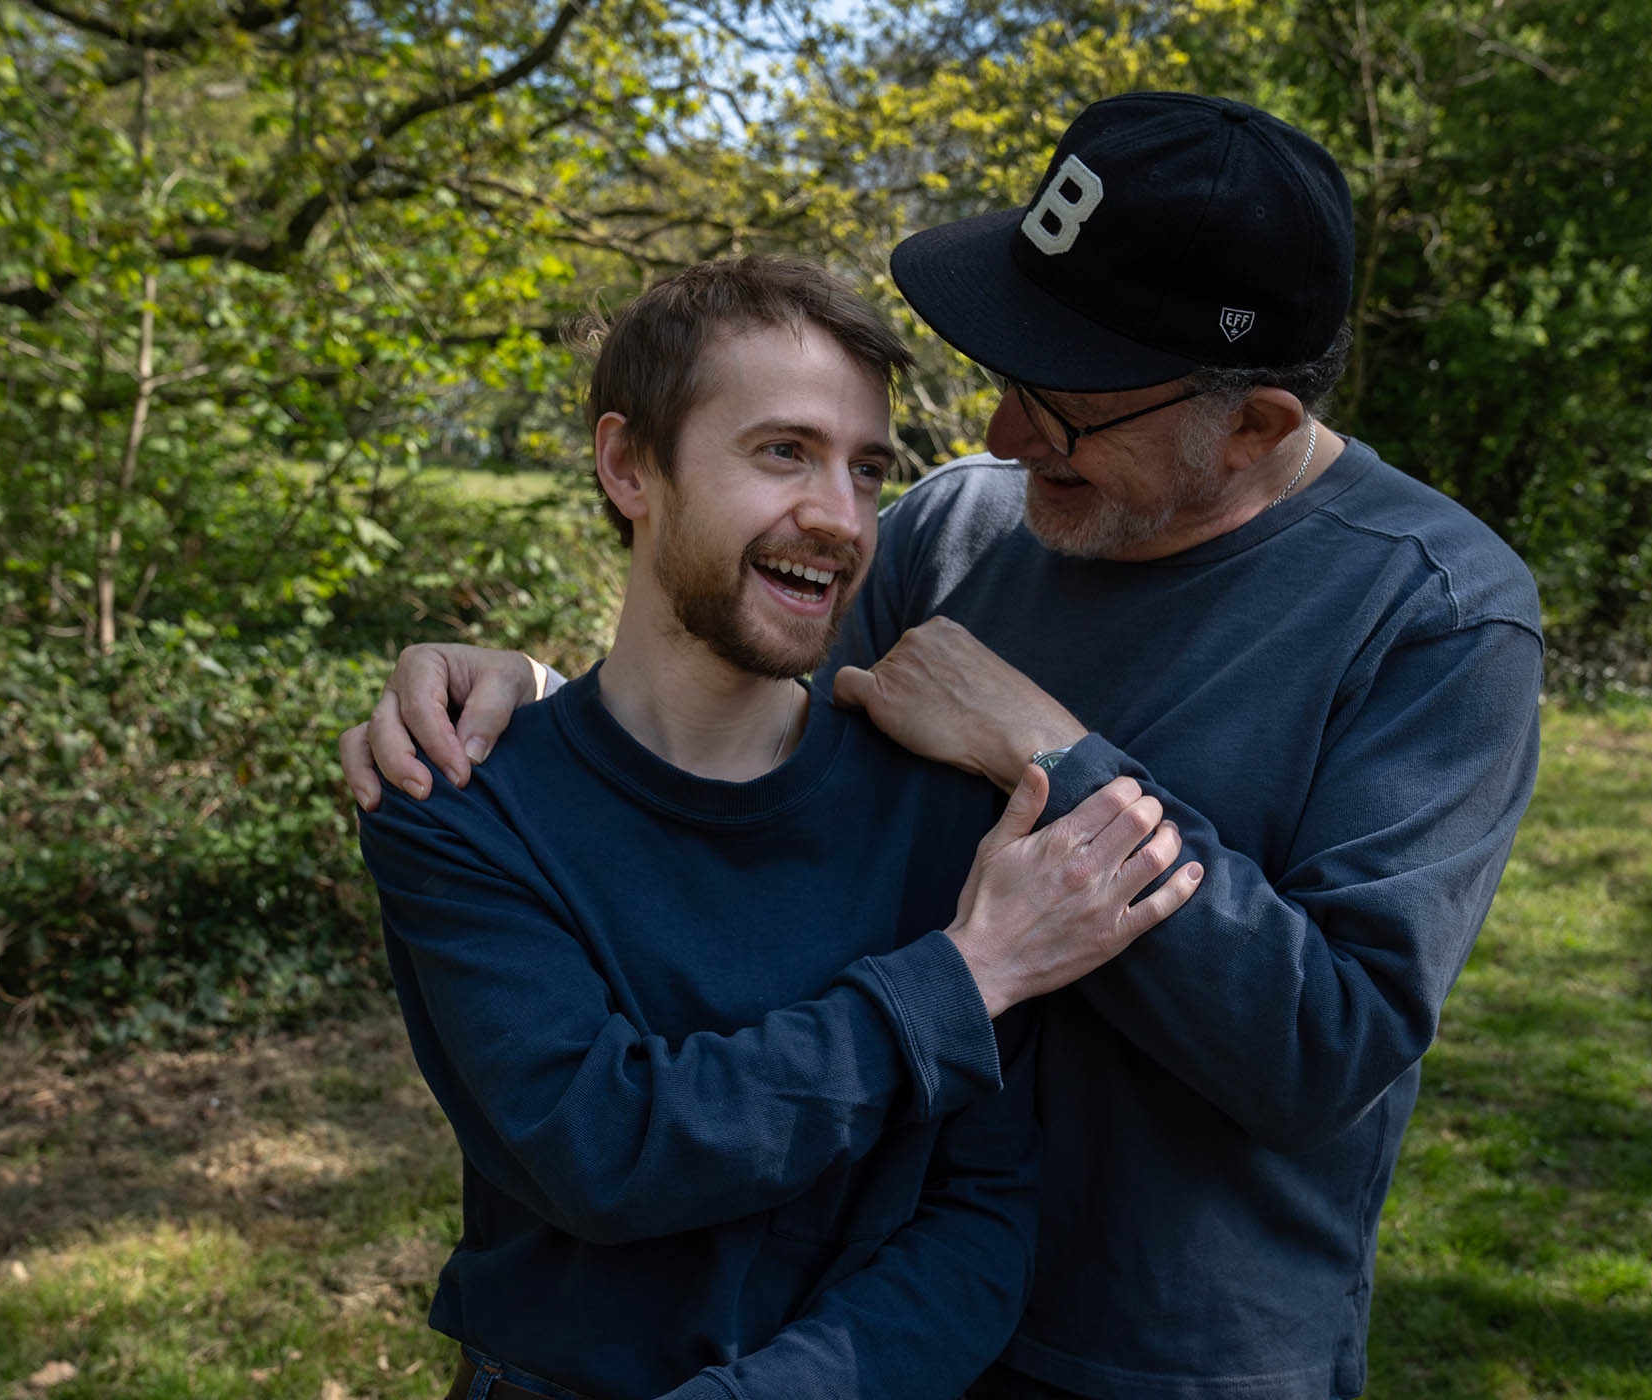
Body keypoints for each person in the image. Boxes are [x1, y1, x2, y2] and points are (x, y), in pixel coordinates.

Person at [347, 92, 1544, 1400]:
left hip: (1165, 1349)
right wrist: (527, 692)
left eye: (1062, 404)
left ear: (1251, 424)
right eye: (1007, 376)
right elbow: (740, 713)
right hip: (876, 1318)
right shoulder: (961, 531)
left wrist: (1046, 752)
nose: (998, 437)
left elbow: (1330, 1046)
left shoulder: (1430, 613)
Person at [356, 255, 1200, 1400]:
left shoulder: (947, 812)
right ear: (629, 465)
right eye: (783, 452)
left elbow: (980, 1219)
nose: (841, 516)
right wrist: (962, 974)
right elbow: (602, 1145)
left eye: (867, 469)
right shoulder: (463, 802)